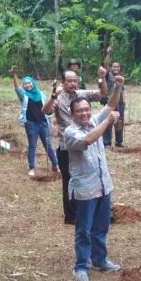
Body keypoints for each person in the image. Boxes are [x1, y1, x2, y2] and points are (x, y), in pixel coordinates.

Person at [64, 76, 125, 281]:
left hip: (102, 185)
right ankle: (81, 265)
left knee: (101, 227)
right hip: (85, 189)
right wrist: (108, 122)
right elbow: (88, 140)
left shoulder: (93, 121)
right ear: (73, 114)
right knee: (84, 229)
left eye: (86, 109)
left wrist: (117, 86)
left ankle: (100, 260)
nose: (84, 113)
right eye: (79, 111)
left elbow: (110, 105)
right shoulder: (70, 132)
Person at [44, 67, 109, 224]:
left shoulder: (82, 95)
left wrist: (102, 78)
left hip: (85, 144)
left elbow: (102, 93)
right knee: (69, 180)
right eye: (69, 81)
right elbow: (45, 111)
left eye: (75, 80)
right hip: (67, 146)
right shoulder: (58, 98)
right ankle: (71, 216)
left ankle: (87, 209)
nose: (73, 84)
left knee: (87, 177)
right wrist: (53, 95)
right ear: (63, 82)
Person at [10, 66, 59, 176]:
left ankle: (55, 164)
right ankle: (32, 168)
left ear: (33, 83)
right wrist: (14, 75)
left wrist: (51, 122)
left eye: (29, 83)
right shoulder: (23, 95)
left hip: (43, 123)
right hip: (31, 124)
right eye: (25, 84)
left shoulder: (41, 94)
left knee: (48, 145)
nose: (27, 85)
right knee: (32, 145)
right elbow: (17, 88)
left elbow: (48, 108)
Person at [101, 45, 125, 147]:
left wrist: (123, 102)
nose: (116, 68)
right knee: (108, 121)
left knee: (120, 121)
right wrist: (108, 53)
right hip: (110, 102)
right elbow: (105, 64)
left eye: (117, 67)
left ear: (119, 68)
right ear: (111, 68)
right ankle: (106, 142)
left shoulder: (121, 77)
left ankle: (119, 141)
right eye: (114, 66)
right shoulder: (108, 75)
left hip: (120, 103)